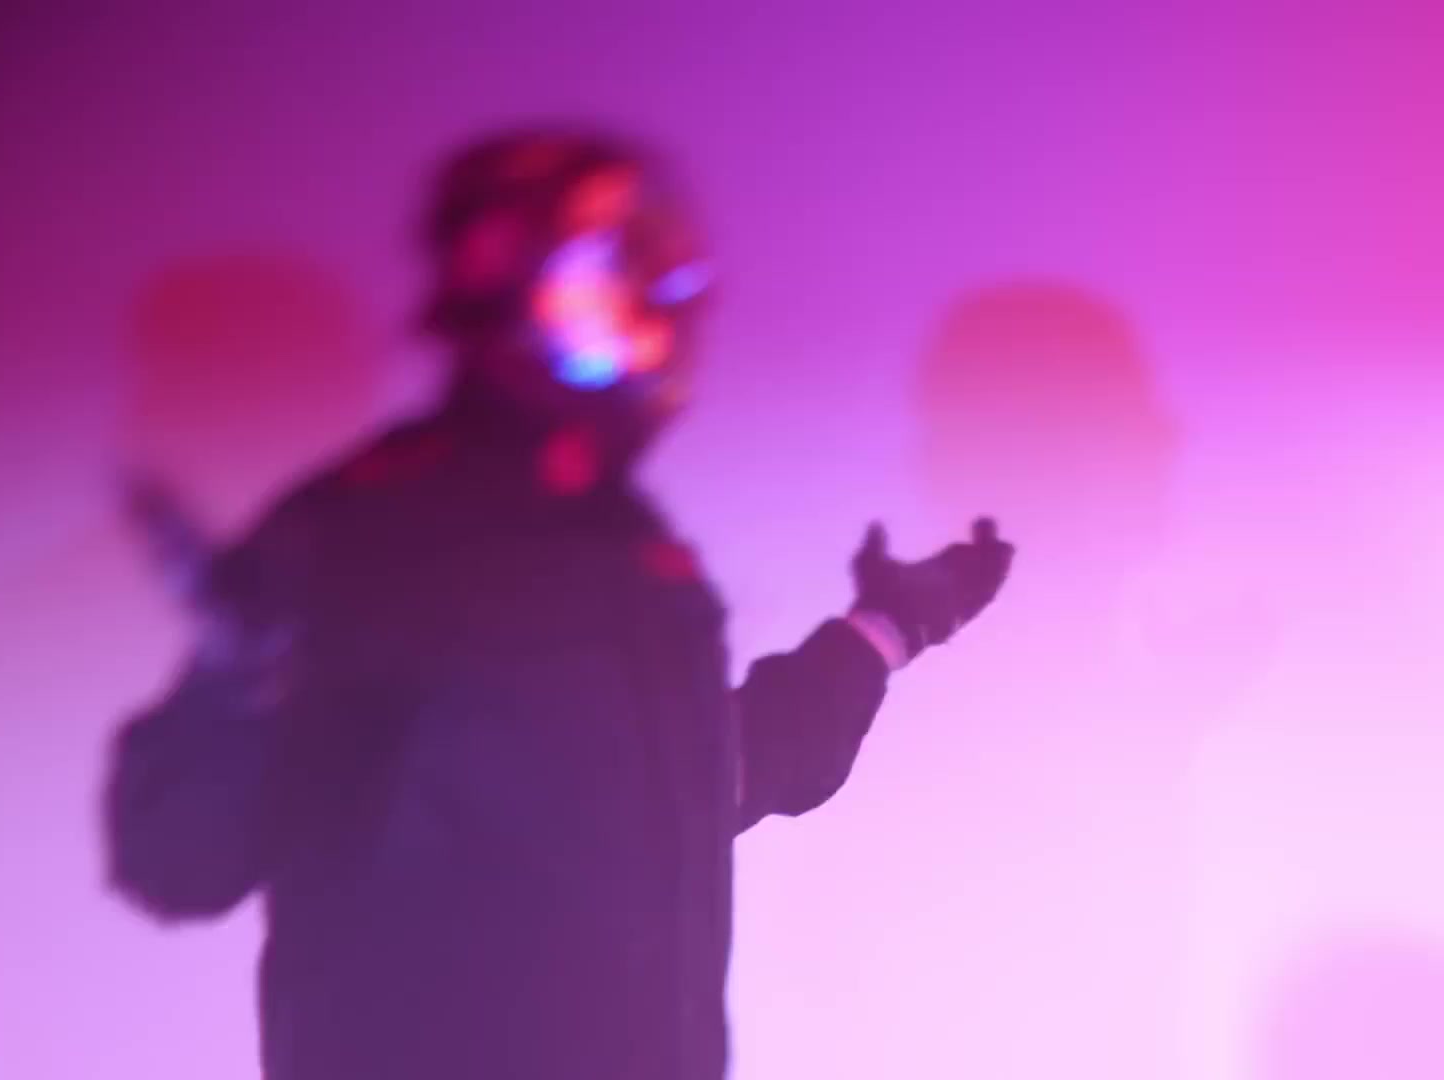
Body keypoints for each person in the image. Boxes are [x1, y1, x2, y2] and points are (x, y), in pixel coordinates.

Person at [102, 127, 1014, 1080]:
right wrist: (236, 692)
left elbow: (704, 782)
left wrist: (884, 630)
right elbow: (179, 855)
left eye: (667, 282)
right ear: (498, 283)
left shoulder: (633, 556)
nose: (657, 317)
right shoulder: (361, 537)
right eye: (612, 278)